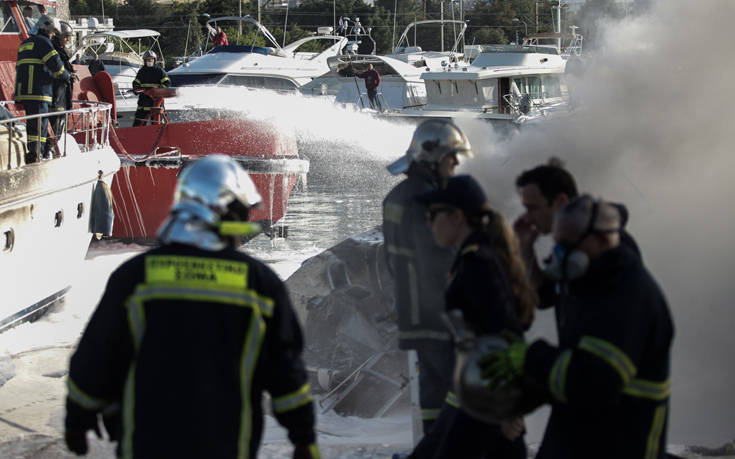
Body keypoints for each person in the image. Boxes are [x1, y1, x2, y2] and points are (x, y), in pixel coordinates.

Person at [64, 155, 320, 459]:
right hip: (227, 445)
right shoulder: (259, 285)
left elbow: (97, 355)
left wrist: (79, 417)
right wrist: (303, 438)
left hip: (146, 444)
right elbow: (285, 372)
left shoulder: (135, 278)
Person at [482, 195, 674, 459]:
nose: (559, 254)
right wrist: (520, 396)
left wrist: (531, 359)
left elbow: (596, 381)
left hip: (622, 439)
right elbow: (543, 299)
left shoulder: (627, 293)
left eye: (566, 245)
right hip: (581, 430)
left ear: (604, 240)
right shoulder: (587, 281)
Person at [407, 175, 536, 459]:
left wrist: (506, 408)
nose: (429, 223)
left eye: (433, 214)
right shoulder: (472, 258)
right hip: (476, 395)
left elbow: (505, 332)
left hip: (489, 402)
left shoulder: (478, 264)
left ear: (457, 217)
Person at [382, 119, 472, 439]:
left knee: (433, 392)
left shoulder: (395, 197)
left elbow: (391, 260)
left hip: (413, 311)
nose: (455, 165)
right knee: (461, 389)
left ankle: (433, 446)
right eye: (452, 157)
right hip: (439, 314)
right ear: (433, 157)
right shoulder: (429, 201)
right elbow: (438, 262)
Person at [14, 14, 70, 163]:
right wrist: (67, 76)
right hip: (38, 91)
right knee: (41, 125)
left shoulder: (25, 43)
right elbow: (56, 66)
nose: (53, 36)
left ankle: (33, 150)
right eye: (53, 33)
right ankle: (36, 154)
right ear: (49, 29)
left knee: (32, 125)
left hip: (24, 91)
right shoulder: (44, 43)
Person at [49, 21, 77, 155]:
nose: (67, 40)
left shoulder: (60, 51)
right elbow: (58, 71)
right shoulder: (54, 51)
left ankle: (52, 150)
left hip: (61, 97)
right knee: (54, 128)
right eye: (65, 37)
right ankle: (49, 151)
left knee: (58, 129)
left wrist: (71, 74)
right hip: (57, 97)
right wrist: (68, 75)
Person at [132, 50, 170, 126]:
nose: (149, 61)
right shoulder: (142, 72)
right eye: (148, 59)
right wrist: (137, 89)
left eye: (151, 59)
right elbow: (136, 83)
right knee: (138, 126)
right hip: (143, 103)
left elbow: (167, 84)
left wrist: (156, 91)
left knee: (158, 126)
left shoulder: (159, 71)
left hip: (156, 103)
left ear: (154, 60)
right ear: (144, 60)